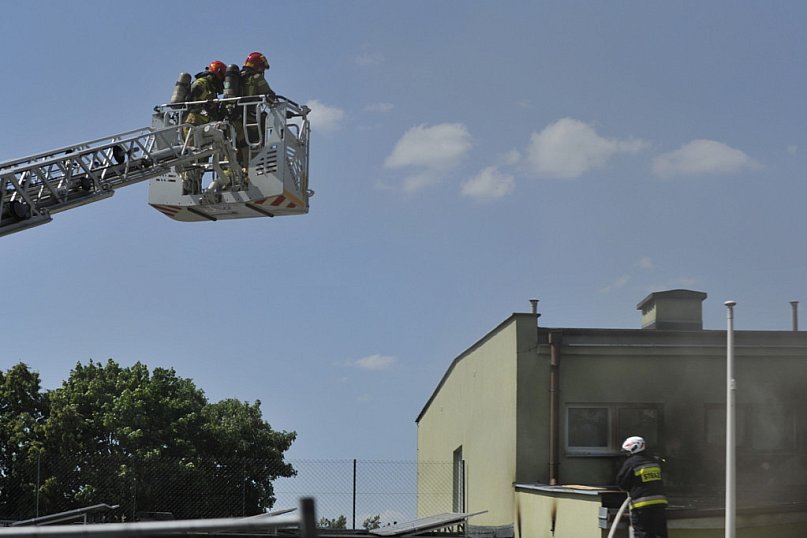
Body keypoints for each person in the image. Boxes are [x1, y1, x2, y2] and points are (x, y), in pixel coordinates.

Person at [182, 60, 226, 194]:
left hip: (201, 126)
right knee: (192, 157)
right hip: (193, 124)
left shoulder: (210, 87)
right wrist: (209, 105)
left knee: (201, 159)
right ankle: (187, 187)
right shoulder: (202, 83)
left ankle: (194, 188)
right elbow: (193, 101)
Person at [616, 436, 668, 538]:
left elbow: (621, 483)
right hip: (660, 504)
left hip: (641, 505)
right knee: (660, 534)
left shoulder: (631, 463)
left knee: (642, 534)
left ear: (634, 448)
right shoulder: (655, 461)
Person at [237, 52, 276, 168]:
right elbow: (270, 97)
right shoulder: (257, 78)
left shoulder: (237, 78)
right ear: (258, 66)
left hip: (234, 119)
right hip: (250, 119)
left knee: (236, 149)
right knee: (263, 122)